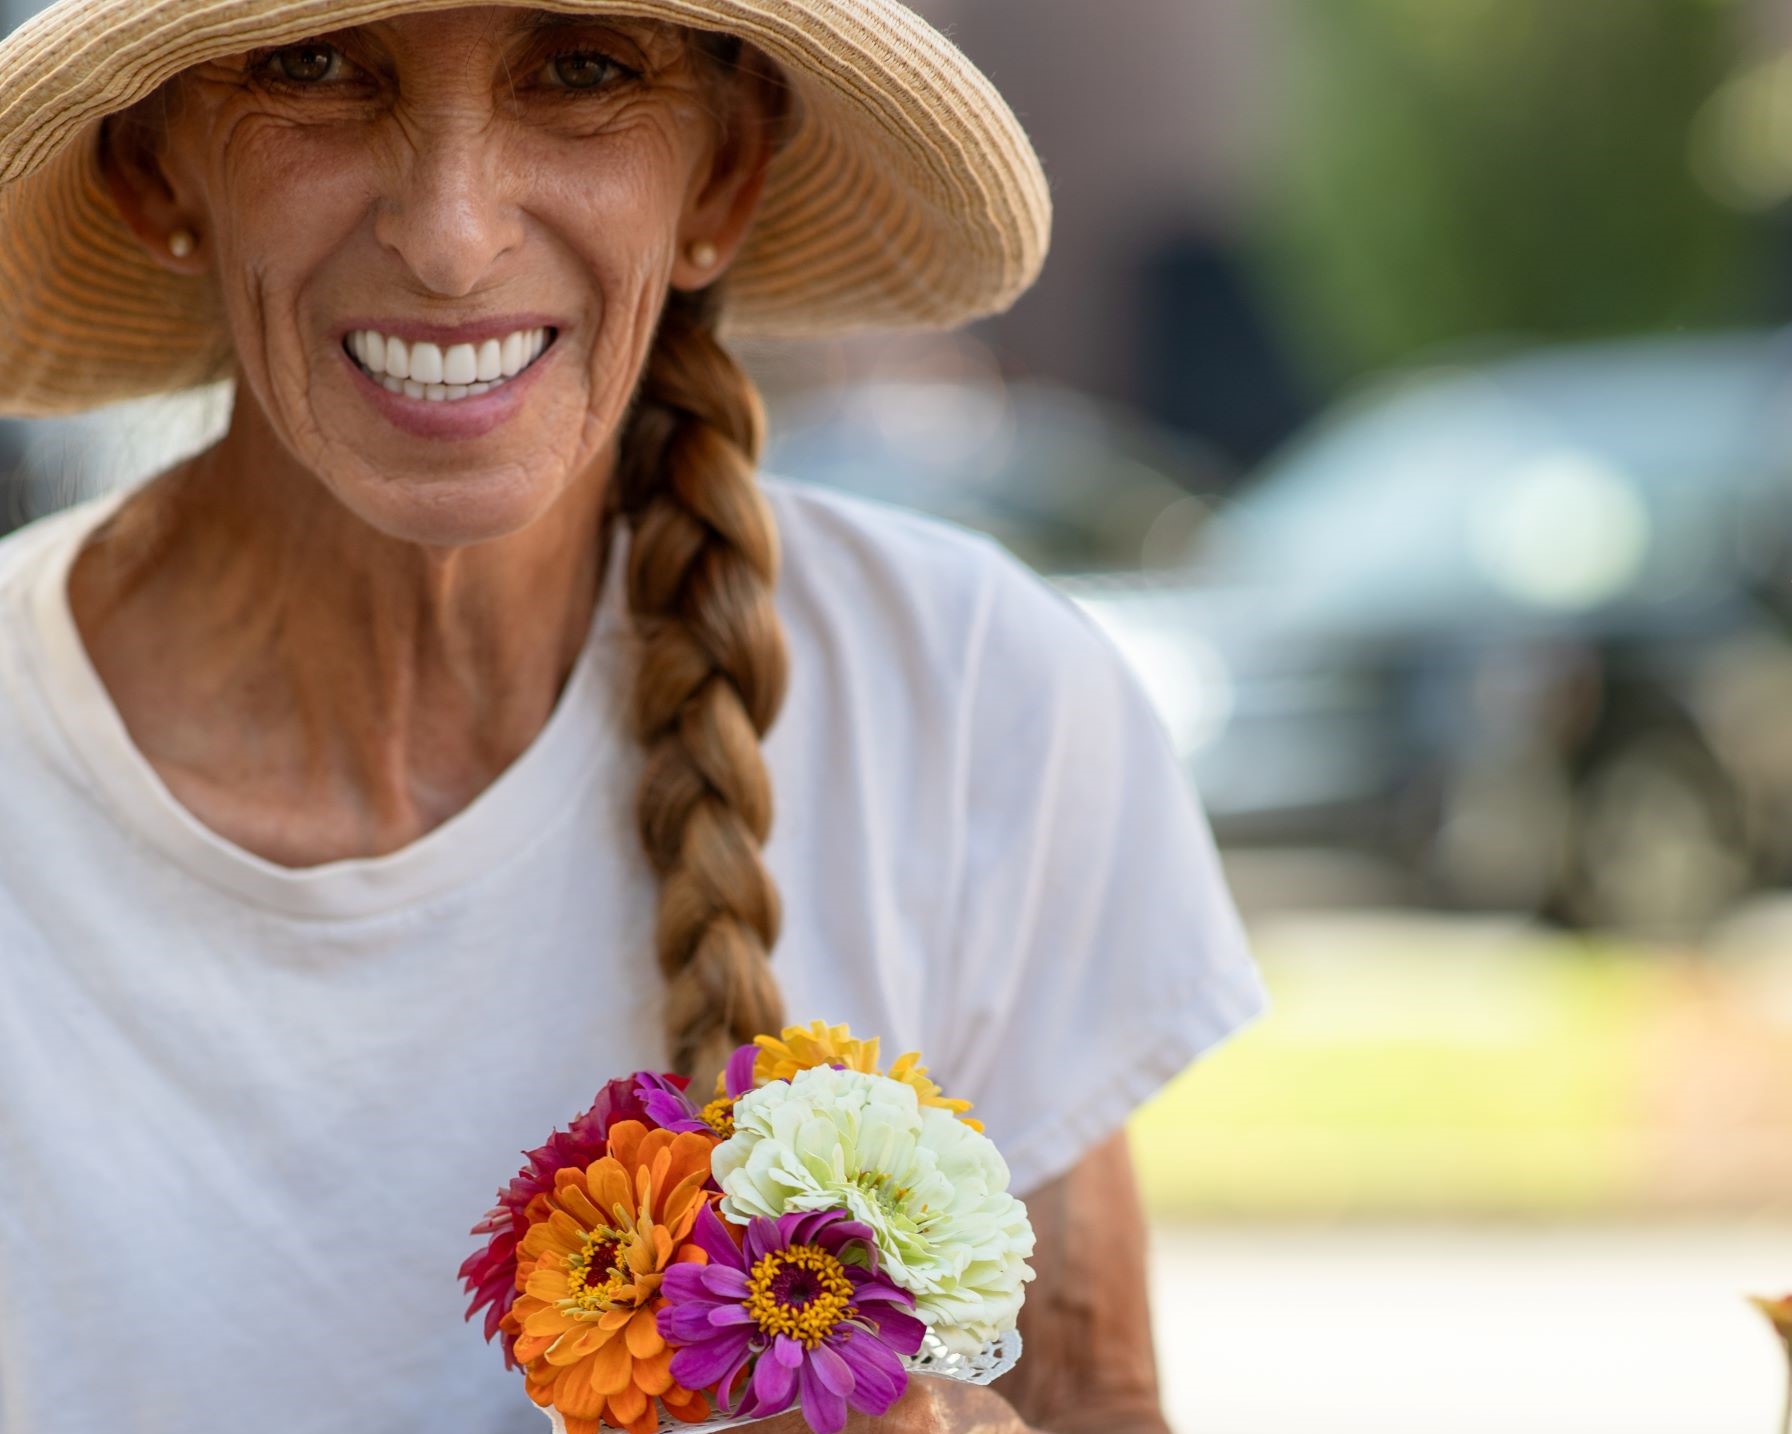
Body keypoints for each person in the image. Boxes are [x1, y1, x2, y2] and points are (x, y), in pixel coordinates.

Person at [0, 3, 1266, 1431]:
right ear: (158, 173)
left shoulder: (971, 697)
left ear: (720, 182)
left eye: (583, 71)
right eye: (315, 68)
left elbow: (1094, 1398)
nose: (452, 231)